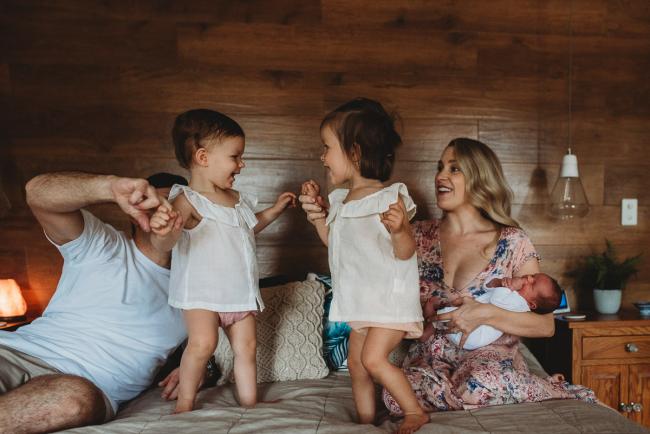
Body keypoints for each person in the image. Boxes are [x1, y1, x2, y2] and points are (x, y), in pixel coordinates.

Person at [0, 171, 189, 434]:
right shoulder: (100, 244)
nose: (168, 212)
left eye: (179, 205)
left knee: (75, 401)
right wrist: (110, 187)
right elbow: (37, 194)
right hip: (17, 354)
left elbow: (225, 338)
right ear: (134, 210)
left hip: (82, 388)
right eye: (159, 202)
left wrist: (201, 366)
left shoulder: (197, 287)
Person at [149, 109, 296, 413]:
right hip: (202, 295)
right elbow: (164, 243)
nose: (241, 164)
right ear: (203, 158)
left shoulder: (236, 199)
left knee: (247, 348)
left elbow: (246, 229)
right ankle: (185, 404)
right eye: (235, 156)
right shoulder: (186, 200)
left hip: (238, 294)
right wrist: (162, 230)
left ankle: (249, 403)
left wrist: (275, 210)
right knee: (203, 344)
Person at [300, 98, 428, 434]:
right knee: (356, 366)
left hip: (389, 301)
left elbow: (405, 253)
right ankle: (365, 422)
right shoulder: (341, 201)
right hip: (360, 303)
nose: (322, 157)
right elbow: (337, 245)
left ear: (354, 153)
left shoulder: (391, 198)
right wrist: (318, 218)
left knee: (373, 360)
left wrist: (401, 230)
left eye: (327, 148)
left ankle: (414, 412)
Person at [424, 273, 563, 348]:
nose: (529, 278)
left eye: (533, 284)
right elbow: (488, 288)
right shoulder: (514, 295)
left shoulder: (518, 303)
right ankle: (430, 329)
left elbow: (496, 299)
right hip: (470, 327)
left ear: (532, 305)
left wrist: (508, 286)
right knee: (454, 310)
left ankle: (426, 329)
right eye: (533, 275)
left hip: (472, 334)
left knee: (447, 315)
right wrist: (498, 282)